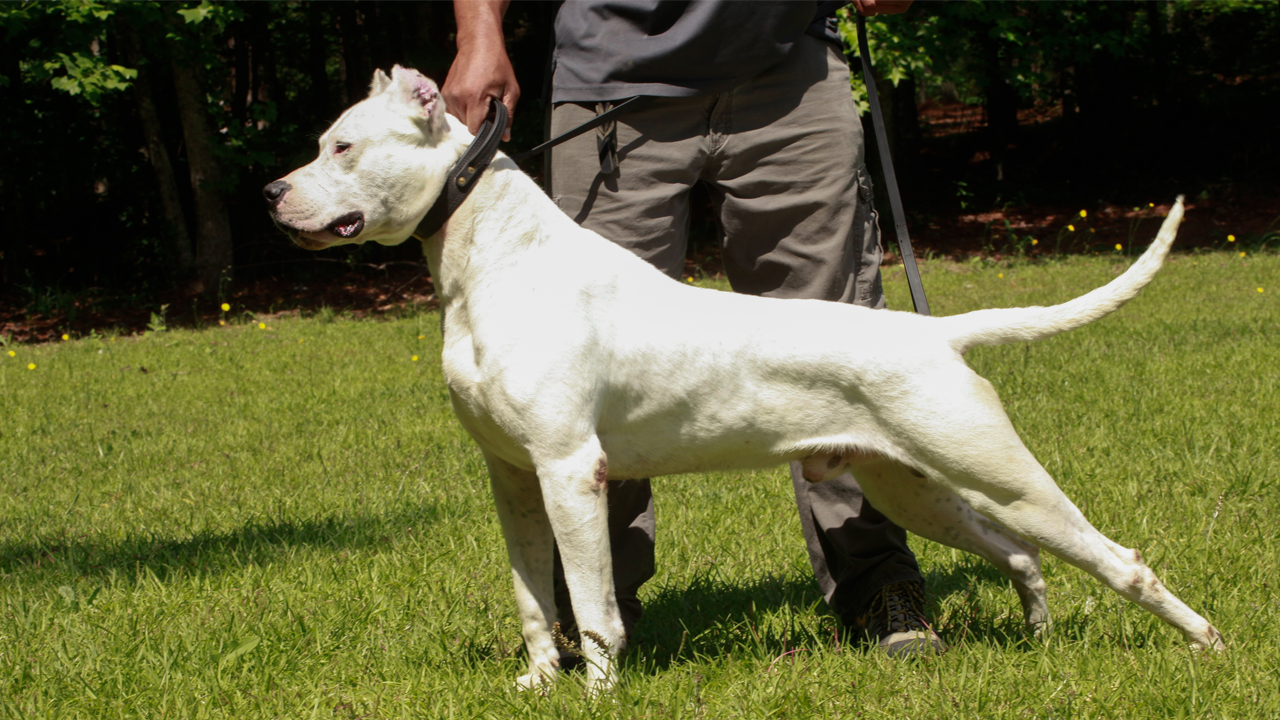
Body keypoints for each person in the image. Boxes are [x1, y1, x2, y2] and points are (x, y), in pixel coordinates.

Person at [443, 0, 943, 657]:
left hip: (789, 66)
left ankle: (880, 588)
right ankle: (586, 620)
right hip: (613, 76)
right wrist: (479, 30)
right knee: (579, 365)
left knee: (841, 349)